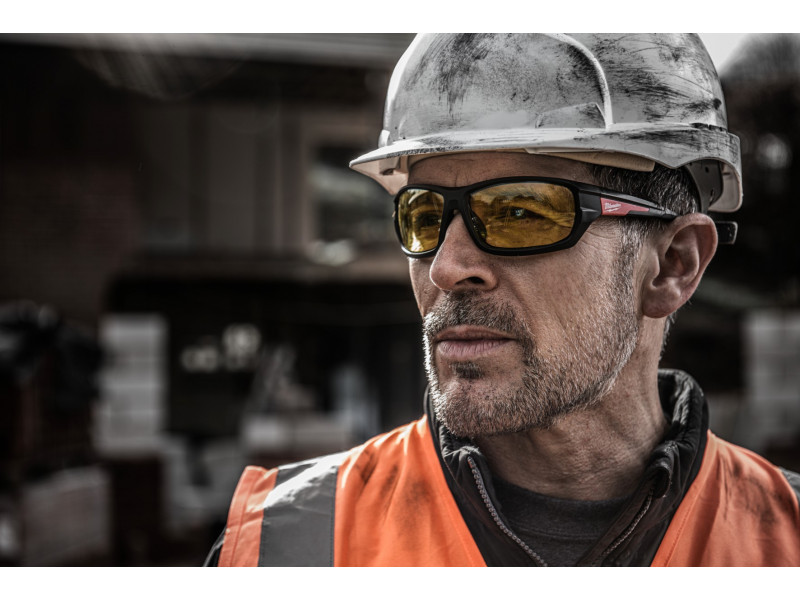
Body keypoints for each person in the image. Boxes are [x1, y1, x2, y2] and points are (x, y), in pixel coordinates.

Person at [205, 33, 800, 567]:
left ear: (673, 265)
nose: (446, 267)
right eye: (424, 215)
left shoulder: (785, 541)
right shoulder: (290, 547)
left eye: (519, 212)